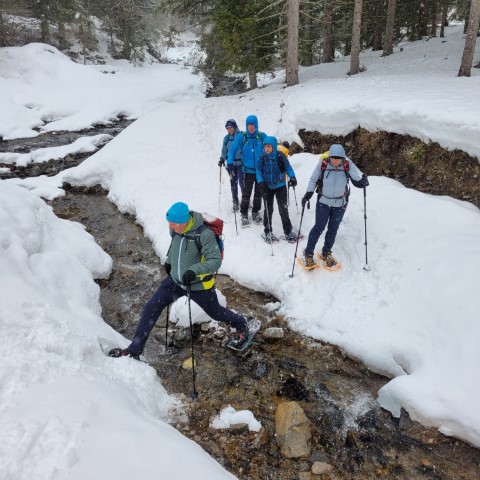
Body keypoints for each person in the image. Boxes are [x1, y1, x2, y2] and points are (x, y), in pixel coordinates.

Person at [109, 202, 251, 358]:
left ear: (184, 222)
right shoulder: (175, 230)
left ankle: (241, 324)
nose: (169, 226)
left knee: (216, 313)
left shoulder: (204, 235)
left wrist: (194, 271)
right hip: (176, 281)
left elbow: (215, 261)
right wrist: (169, 262)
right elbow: (175, 248)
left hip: (198, 285)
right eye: (169, 222)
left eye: (173, 223)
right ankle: (134, 350)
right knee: (150, 308)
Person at [301, 144, 369, 269]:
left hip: (340, 204)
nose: (335, 160)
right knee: (318, 227)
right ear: (330, 156)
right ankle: (308, 253)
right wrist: (308, 194)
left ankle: (326, 252)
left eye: (338, 158)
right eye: (333, 158)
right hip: (323, 202)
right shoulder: (323, 164)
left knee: (333, 229)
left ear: (343, 158)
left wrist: (362, 182)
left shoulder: (348, 165)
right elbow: (313, 179)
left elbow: (356, 180)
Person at [227, 114, 267, 227]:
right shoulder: (242, 137)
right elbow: (232, 150)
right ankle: (244, 214)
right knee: (246, 194)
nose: (250, 128)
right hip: (248, 171)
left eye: (252, 125)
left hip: (260, 172)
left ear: (256, 125)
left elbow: (272, 146)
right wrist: (230, 163)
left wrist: (283, 149)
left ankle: (255, 212)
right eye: (249, 125)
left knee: (258, 194)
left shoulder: (261, 136)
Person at [257, 136, 299, 243]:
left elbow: (288, 168)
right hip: (267, 186)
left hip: (280, 186)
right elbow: (258, 171)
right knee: (268, 209)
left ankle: (288, 231)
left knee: (283, 209)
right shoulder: (262, 157)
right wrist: (261, 182)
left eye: (269, 146)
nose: (266, 148)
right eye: (265, 146)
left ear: (274, 147)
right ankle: (268, 231)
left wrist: (292, 177)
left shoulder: (280, 156)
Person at [219, 119, 243, 212]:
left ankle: (245, 200)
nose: (230, 130)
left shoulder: (241, 136)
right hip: (231, 165)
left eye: (231, 127)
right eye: (228, 128)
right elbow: (224, 150)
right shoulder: (226, 138)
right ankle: (235, 201)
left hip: (241, 164)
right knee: (233, 183)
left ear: (235, 127)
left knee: (242, 183)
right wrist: (222, 159)